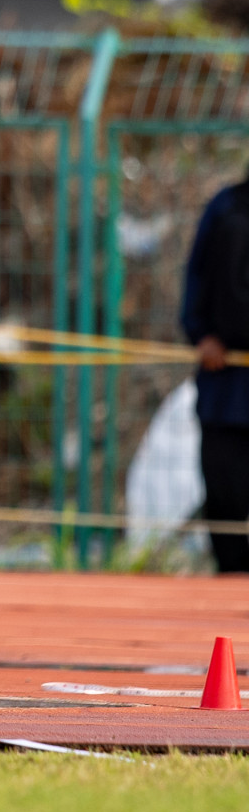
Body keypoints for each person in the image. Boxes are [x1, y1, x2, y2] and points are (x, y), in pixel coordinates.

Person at [181, 166, 249, 572]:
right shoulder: (226, 208)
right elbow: (196, 280)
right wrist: (201, 334)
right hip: (227, 391)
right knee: (225, 504)